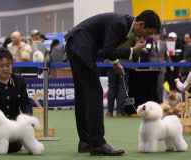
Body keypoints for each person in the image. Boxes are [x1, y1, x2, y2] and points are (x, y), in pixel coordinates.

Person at [64, 10, 160, 156]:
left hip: (76, 45)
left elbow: (109, 47)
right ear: (141, 24)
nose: (146, 37)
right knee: (95, 93)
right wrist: (133, 50)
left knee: (83, 95)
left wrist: (115, 63)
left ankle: (85, 142)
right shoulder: (120, 23)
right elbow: (108, 51)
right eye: (148, 32)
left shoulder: (125, 24)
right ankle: (97, 143)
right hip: (80, 46)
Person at [0, 48, 32, 153]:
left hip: (14, 126)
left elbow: (25, 103)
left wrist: (28, 119)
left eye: (8, 65)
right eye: (1, 66)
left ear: (12, 65)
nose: (5, 69)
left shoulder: (19, 81)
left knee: (13, 147)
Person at [104, 34, 140, 117]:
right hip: (125, 63)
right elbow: (137, 49)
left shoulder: (114, 29)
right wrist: (135, 62)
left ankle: (109, 111)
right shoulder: (133, 33)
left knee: (112, 86)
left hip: (111, 61)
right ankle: (119, 112)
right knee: (122, 87)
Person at [150, 30, 173, 103]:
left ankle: (160, 100)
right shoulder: (148, 43)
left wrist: (170, 64)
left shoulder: (163, 44)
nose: (156, 36)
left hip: (161, 68)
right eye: (154, 35)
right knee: (152, 85)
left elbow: (167, 56)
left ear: (159, 35)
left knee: (160, 86)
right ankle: (152, 100)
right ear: (152, 35)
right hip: (151, 68)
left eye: (157, 35)